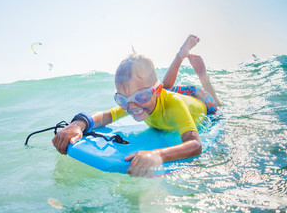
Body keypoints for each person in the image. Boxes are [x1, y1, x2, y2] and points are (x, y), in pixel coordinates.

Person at [52, 35, 222, 177]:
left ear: (153, 92)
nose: (132, 106)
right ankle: (179, 56)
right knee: (165, 87)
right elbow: (106, 116)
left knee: (219, 106)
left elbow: (195, 145)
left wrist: (157, 155)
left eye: (140, 95)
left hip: (200, 100)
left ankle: (202, 75)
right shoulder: (135, 102)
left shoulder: (175, 104)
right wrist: (78, 124)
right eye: (122, 100)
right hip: (164, 93)